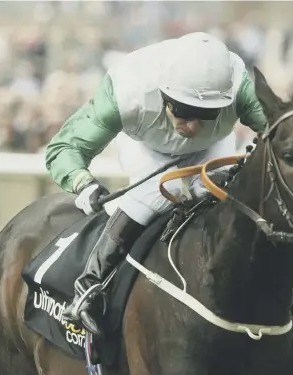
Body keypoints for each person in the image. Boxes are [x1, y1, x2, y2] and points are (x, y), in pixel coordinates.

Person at [45, 31, 267, 335]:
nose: (191, 126)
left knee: (228, 195)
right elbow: (64, 148)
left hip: (214, 146)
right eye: (184, 110)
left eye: (206, 113)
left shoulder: (238, 85)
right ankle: (89, 285)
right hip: (148, 148)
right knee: (162, 194)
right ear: (164, 94)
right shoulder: (126, 93)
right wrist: (84, 183)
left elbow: (279, 132)